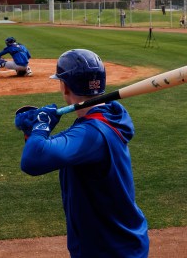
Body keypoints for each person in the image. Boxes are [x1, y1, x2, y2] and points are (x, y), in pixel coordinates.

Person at [14, 49, 149, 257]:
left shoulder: (92, 133)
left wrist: (41, 125)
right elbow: (48, 148)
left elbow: (33, 160)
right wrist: (31, 132)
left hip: (109, 249)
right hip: (116, 242)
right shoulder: (109, 114)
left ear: (65, 86)